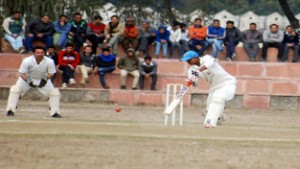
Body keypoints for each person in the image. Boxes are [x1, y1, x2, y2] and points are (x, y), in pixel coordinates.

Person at [180, 51, 236, 128]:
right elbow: (195, 82)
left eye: (189, 59)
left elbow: (208, 65)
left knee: (218, 98)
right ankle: (219, 117)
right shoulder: (191, 70)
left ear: (196, 57)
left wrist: (198, 71)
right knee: (209, 108)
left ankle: (210, 123)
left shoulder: (207, 58)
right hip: (214, 86)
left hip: (227, 82)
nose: (188, 62)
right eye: (186, 60)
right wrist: (192, 81)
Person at [5, 46, 61, 118]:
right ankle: (10, 110)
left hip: (42, 79)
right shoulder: (27, 61)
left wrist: (45, 80)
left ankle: (55, 112)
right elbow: (22, 73)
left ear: (44, 53)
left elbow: (51, 73)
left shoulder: (49, 61)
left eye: (42, 53)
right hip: (27, 78)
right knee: (15, 90)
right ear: (34, 53)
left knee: (54, 92)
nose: (40, 54)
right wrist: (28, 81)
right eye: (37, 53)